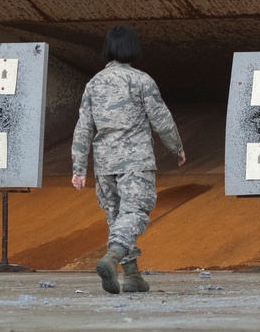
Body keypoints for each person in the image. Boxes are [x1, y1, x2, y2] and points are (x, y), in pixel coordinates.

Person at [71, 26, 186, 294]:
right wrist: (177, 148)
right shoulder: (141, 80)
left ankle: (132, 275)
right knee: (135, 213)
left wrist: (79, 167)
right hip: (135, 162)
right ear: (133, 48)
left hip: (104, 165)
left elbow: (83, 128)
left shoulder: (94, 84)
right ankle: (112, 259)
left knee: (117, 218)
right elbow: (161, 119)